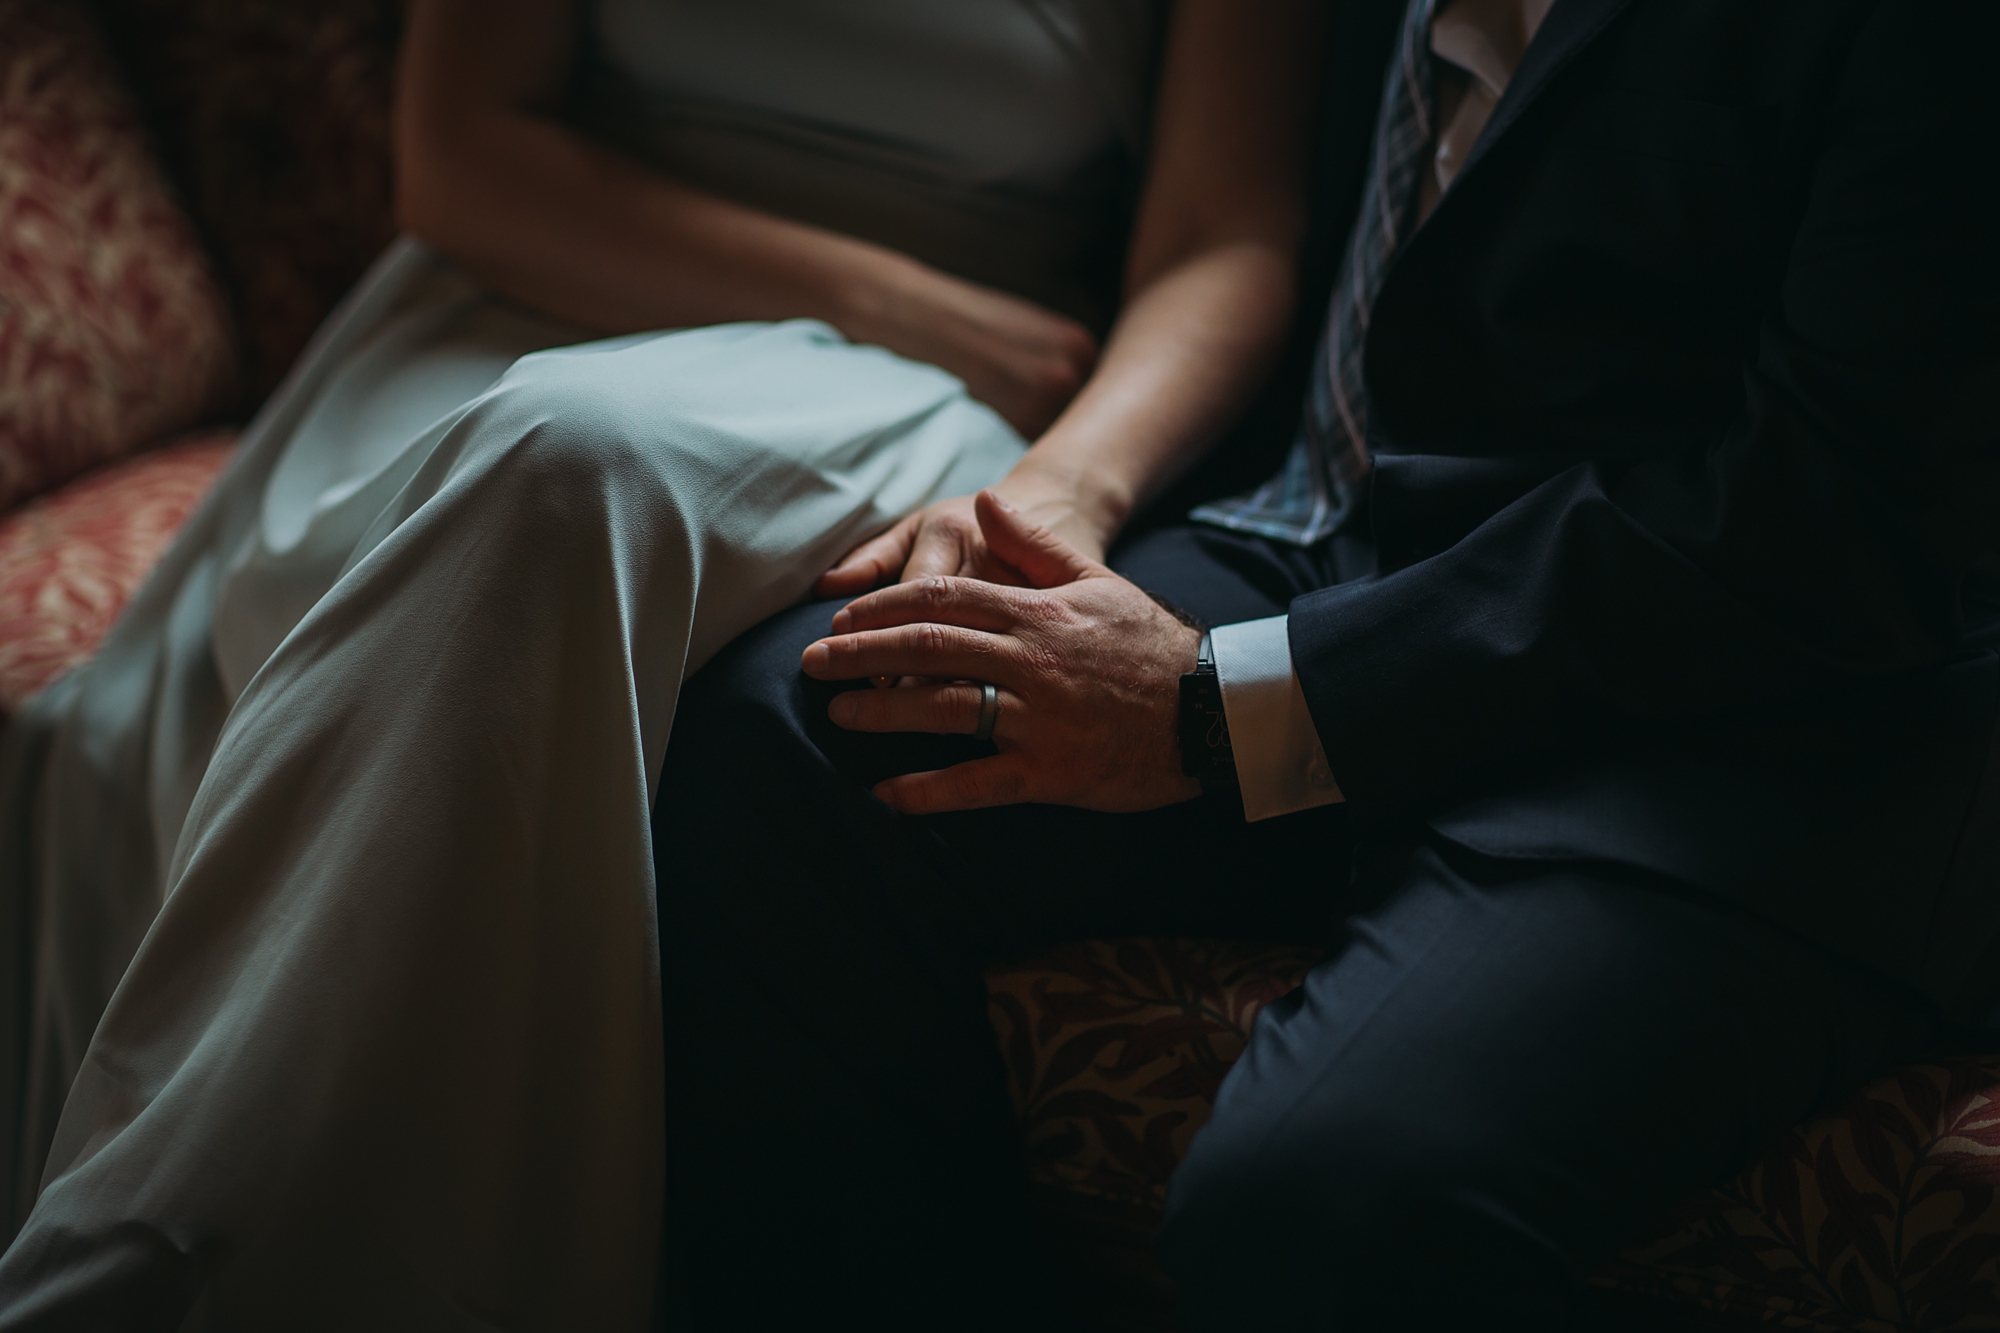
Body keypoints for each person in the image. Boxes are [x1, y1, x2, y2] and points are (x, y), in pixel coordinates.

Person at [650, 0, 2000, 1325]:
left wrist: (1219, 710)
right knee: (795, 738)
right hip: (1344, 536)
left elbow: (1836, 520)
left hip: (1750, 717)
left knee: (1326, 1195)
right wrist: (1069, 494)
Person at [0, 1, 1327, 1326]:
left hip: (927, 378)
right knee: (207, 675)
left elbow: (1228, 235)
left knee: (569, 465)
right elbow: (460, 152)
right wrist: (899, 299)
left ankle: (159, 1261)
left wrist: (1068, 482)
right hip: (556, 280)